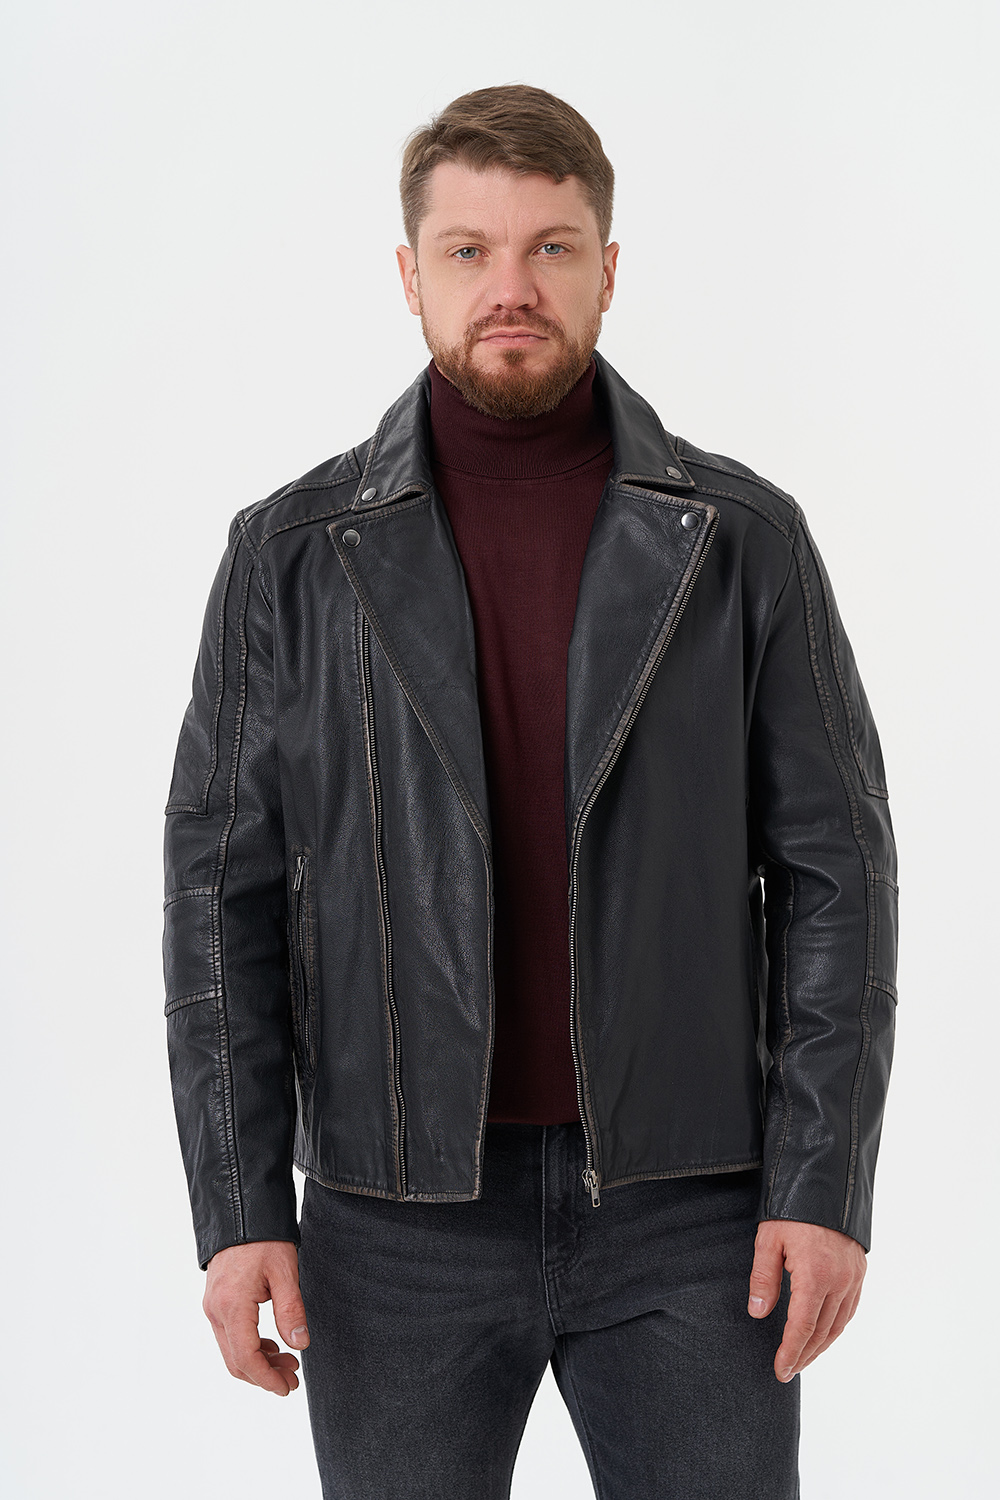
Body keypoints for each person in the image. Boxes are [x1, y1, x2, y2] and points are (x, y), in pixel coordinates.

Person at [162, 83, 897, 1498]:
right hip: (392, 1223)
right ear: (410, 275)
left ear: (608, 269)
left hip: (695, 1214)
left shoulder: (742, 541)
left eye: (551, 248)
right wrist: (239, 1203)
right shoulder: (291, 557)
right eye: (469, 250)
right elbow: (218, 894)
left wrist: (823, 1183)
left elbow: (837, 877)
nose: (511, 286)